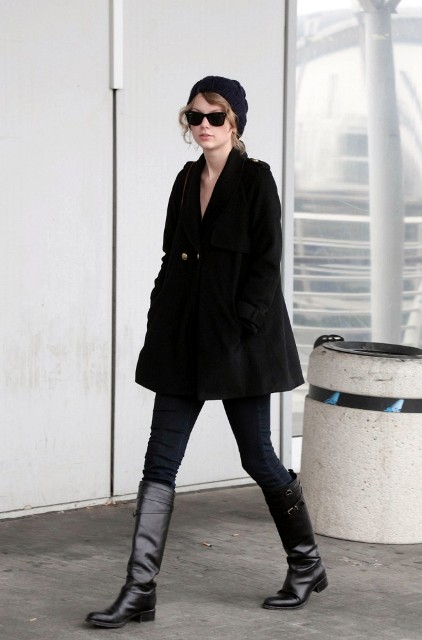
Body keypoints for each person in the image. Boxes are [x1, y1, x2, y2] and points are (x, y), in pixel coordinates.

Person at [86, 75, 327, 629]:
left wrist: (242, 324)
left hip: (240, 344)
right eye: (194, 116)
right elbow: (170, 256)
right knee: (159, 461)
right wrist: (159, 317)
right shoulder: (184, 179)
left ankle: (306, 563)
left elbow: (267, 264)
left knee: (257, 456)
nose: (203, 126)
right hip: (183, 341)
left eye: (215, 116)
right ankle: (139, 589)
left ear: (234, 122)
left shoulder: (256, 179)